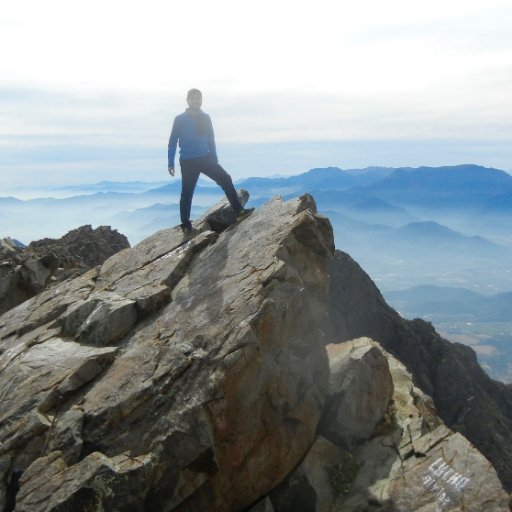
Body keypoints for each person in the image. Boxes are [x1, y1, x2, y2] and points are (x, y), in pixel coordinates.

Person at [168, 88, 252, 234]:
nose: (196, 101)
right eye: (193, 98)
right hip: (188, 161)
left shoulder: (205, 117)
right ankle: (186, 225)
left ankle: (239, 212)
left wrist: (214, 159)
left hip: (205, 158)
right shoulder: (180, 119)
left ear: (201, 100)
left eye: (198, 98)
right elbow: (173, 141)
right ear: (187, 100)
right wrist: (170, 162)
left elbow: (210, 139)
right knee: (187, 193)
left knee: (225, 179)